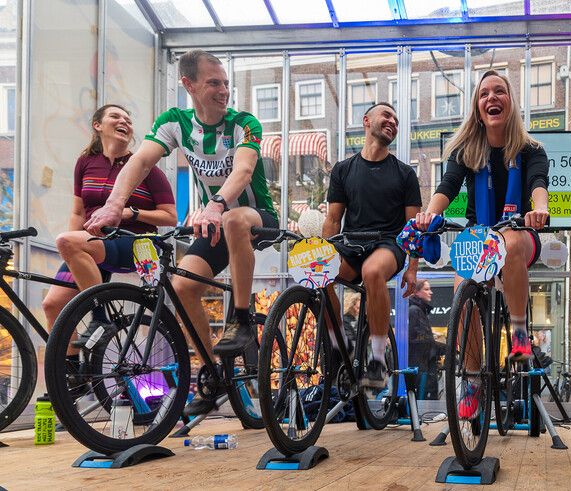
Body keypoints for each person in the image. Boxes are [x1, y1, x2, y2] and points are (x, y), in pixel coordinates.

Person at [84, 50, 278, 415]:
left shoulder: (244, 122)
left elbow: (244, 171)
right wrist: (113, 204)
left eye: (225, 83)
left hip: (256, 216)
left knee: (235, 220)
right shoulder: (175, 122)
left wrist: (217, 204)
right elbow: (141, 161)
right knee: (183, 288)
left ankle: (241, 320)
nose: (224, 90)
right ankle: (211, 374)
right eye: (214, 83)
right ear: (188, 84)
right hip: (215, 220)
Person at [415, 69, 549, 418]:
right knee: (463, 288)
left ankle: (519, 338)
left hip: (520, 233)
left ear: (510, 101)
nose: (492, 98)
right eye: (484, 93)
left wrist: (540, 209)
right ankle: (472, 379)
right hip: (480, 238)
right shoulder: (466, 151)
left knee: (512, 241)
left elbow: (537, 182)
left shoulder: (532, 149)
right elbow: (447, 187)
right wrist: (429, 214)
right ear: (477, 106)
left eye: (499, 91)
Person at [41, 104, 177, 349]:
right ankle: (73, 379)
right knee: (53, 305)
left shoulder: (144, 167)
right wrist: (76, 241)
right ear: (98, 125)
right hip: (93, 243)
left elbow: (170, 216)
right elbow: (78, 211)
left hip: (134, 242)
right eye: (115, 116)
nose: (123, 121)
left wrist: (130, 212)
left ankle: (101, 318)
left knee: (66, 241)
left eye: (128, 118)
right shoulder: (85, 163)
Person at [323, 102, 422, 388]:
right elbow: (332, 219)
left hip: (390, 244)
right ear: (367, 121)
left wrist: (412, 268)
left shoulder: (405, 174)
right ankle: (338, 344)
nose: (392, 121)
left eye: (396, 119)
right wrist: (322, 252)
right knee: (319, 272)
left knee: (371, 271)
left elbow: (413, 227)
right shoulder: (343, 170)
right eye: (386, 115)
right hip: (351, 244)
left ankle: (378, 359)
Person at [408, 280, 441, 399]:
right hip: (420, 366)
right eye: (426, 289)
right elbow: (415, 339)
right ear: (417, 292)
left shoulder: (420, 311)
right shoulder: (414, 311)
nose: (430, 292)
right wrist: (442, 347)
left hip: (424, 365)